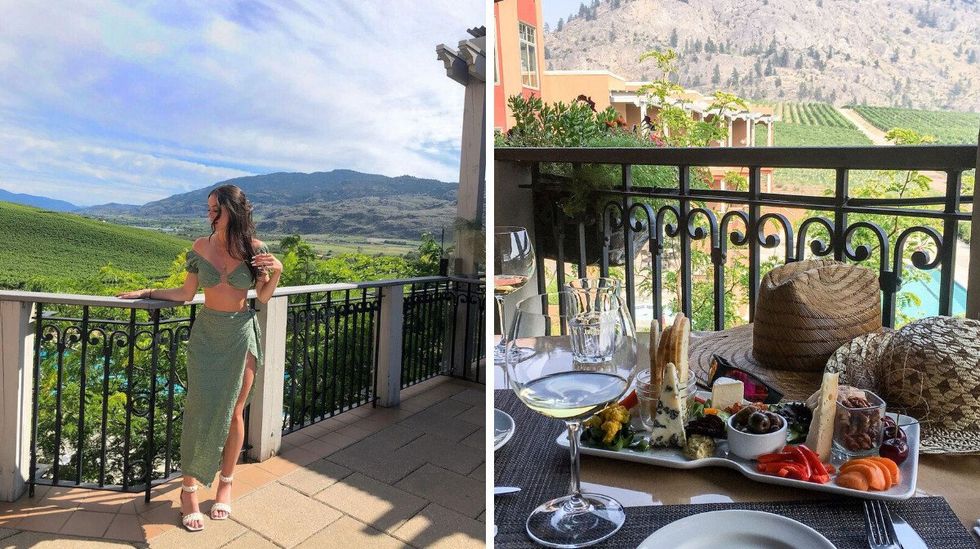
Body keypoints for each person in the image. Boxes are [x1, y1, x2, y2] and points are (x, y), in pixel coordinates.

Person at [117, 184, 282, 531]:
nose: (209, 216)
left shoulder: (255, 249)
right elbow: (185, 293)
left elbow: (263, 297)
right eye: (208, 209)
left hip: (240, 335)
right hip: (206, 335)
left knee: (235, 412)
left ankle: (225, 485)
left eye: (215, 210)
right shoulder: (200, 246)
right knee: (197, 410)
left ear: (233, 211)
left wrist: (276, 272)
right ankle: (188, 490)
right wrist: (147, 292)